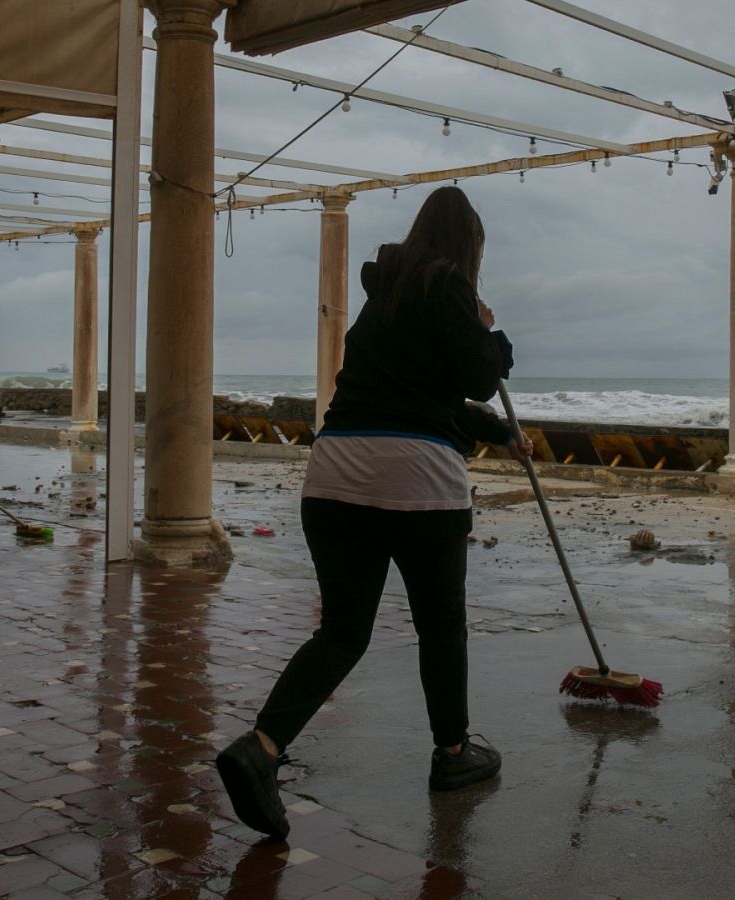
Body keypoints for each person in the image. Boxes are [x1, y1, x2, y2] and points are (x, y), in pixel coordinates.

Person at [218, 186, 532, 841]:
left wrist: (502, 434)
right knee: (441, 625)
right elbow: (478, 375)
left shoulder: (382, 300)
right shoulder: (447, 284)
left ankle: (262, 748)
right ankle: (452, 755)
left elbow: (421, 397)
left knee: (342, 631)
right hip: (415, 478)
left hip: (335, 472)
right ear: (468, 246)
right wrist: (488, 330)